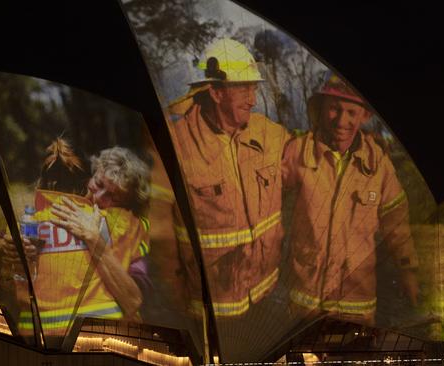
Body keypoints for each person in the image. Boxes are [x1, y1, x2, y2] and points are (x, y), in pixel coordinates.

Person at [282, 75, 419, 325]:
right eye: (334, 108)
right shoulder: (298, 152)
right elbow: (264, 188)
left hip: (356, 304)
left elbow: (397, 225)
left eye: (351, 112)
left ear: (364, 116)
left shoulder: (379, 165)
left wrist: (407, 271)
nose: (341, 121)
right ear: (321, 109)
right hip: (305, 303)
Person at [168, 38, 289, 316]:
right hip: (213, 311)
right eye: (244, 88)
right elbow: (162, 244)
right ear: (216, 92)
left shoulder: (270, 133)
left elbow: (306, 160)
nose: (253, 99)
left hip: (265, 295)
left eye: (254, 87)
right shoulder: (177, 145)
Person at [4, 140, 150, 344]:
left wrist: (93, 238)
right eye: (98, 184)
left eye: (113, 197)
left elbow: (134, 299)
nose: (98, 197)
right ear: (90, 174)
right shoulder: (31, 220)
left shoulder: (125, 225)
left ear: (126, 205)